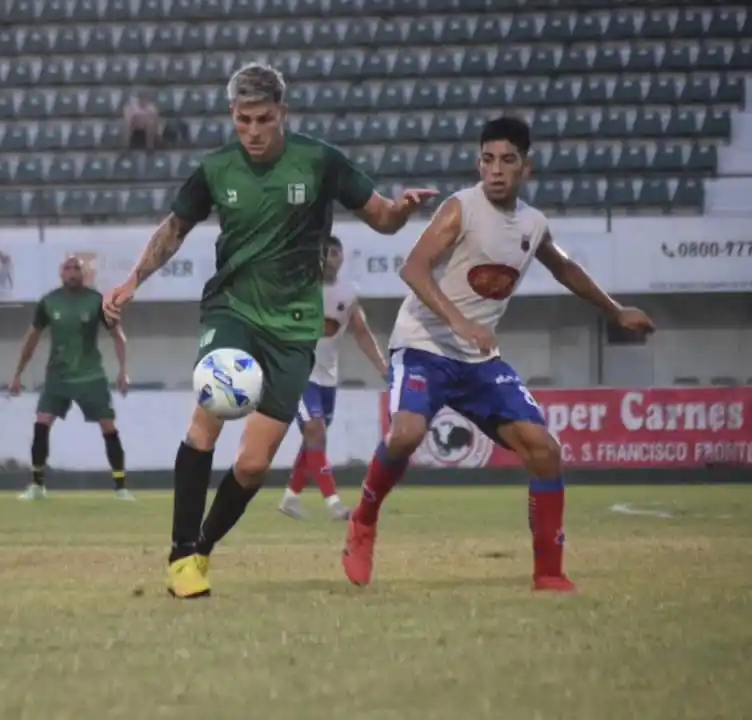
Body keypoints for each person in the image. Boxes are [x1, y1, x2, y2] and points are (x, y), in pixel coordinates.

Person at [103, 62, 437, 599]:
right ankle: (180, 556)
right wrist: (132, 280)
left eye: (263, 119)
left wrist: (401, 212)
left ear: (283, 112)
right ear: (231, 114)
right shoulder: (217, 169)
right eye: (243, 120)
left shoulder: (319, 161)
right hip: (232, 310)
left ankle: (203, 548)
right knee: (206, 423)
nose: (253, 131)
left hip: (295, 329)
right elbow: (175, 228)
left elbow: (380, 217)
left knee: (254, 465)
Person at [341, 116, 656, 593]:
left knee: (544, 451)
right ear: (478, 163)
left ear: (526, 168)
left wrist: (615, 310)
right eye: (488, 159)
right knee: (406, 433)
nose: (496, 169)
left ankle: (549, 573)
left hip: (479, 361)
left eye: (507, 160)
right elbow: (413, 268)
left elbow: (564, 268)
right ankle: (363, 521)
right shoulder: (460, 209)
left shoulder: (533, 224)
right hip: (423, 345)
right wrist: (458, 321)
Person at [278, 234, 387, 521]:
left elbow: (362, 333)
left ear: (342, 257)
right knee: (315, 430)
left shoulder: (348, 294)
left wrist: (383, 367)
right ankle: (334, 504)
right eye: (323, 252)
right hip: (298, 374)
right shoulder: (299, 288)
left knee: (313, 439)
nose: (329, 258)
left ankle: (290, 498)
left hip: (328, 377)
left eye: (334, 252)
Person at [10, 256, 134, 501]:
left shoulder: (97, 301)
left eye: (77, 268)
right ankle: (37, 486)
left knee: (108, 426)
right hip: (58, 377)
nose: (72, 272)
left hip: (91, 376)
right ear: (61, 273)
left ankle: (121, 488)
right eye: (68, 268)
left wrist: (123, 370)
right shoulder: (49, 302)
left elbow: (118, 336)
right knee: (42, 423)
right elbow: (31, 339)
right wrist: (18, 374)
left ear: (84, 273)